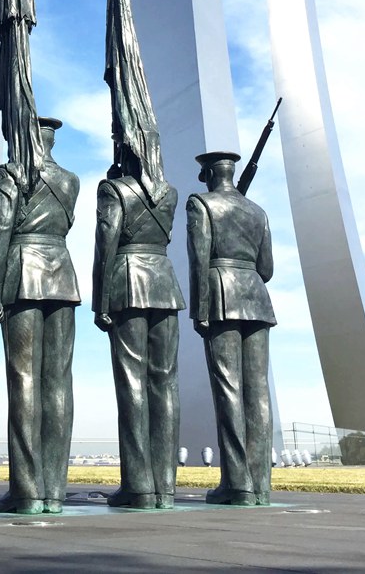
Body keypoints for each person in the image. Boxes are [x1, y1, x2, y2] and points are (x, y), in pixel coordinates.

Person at [0, 117, 80, 515]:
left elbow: (0, 228)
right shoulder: (71, 181)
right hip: (62, 275)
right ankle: (53, 490)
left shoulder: (10, 174)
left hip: (22, 273)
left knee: (23, 379)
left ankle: (26, 489)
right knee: (58, 382)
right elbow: (68, 223)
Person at [92, 144, 184, 509]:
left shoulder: (113, 190)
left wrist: (101, 301)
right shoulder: (171, 193)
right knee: (166, 383)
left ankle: (139, 485)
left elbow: (106, 244)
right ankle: (165, 486)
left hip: (128, 283)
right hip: (164, 283)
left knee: (133, 383)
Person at [186, 151, 276, 506]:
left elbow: (199, 259)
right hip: (257, 297)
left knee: (229, 390)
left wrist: (200, 309)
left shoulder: (201, 205)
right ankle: (259, 483)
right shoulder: (258, 212)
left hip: (222, 295)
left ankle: (237, 483)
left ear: (208, 173)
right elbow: (266, 268)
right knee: (259, 393)